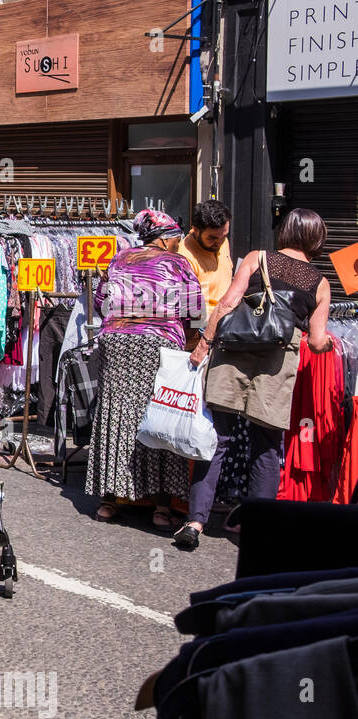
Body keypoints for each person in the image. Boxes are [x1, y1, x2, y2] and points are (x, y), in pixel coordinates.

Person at [175, 207, 334, 550]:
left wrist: (204, 343)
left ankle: (194, 522)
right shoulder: (320, 284)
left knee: (216, 438)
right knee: (265, 448)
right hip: (276, 363)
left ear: (285, 232)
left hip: (234, 351)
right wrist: (330, 343)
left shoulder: (257, 258)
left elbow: (229, 303)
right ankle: (258, 528)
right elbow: (318, 341)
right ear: (317, 238)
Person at [88, 209, 204, 527]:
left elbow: (100, 303)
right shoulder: (178, 263)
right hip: (160, 344)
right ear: (165, 239)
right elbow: (196, 311)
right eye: (177, 240)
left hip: (117, 344)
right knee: (160, 414)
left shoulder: (120, 258)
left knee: (117, 416)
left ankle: (108, 502)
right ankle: (162, 508)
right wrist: (190, 338)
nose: (179, 246)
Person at [178, 199, 234, 341]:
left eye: (224, 236)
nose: (219, 242)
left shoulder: (222, 242)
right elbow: (189, 311)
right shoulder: (184, 257)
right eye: (213, 238)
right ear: (196, 230)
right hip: (206, 324)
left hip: (229, 315)